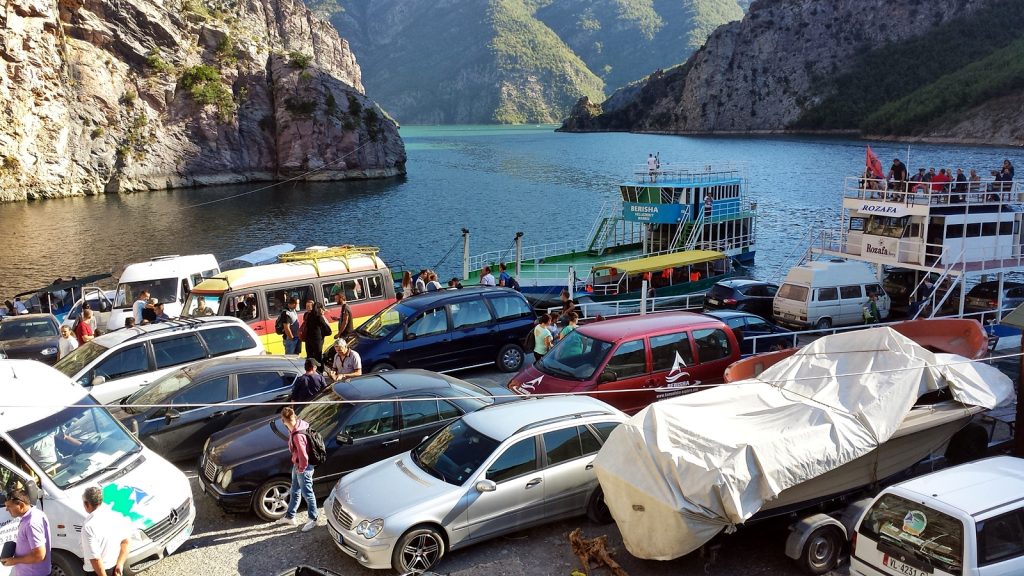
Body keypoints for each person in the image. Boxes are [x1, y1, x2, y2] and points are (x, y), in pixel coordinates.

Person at [275, 407, 317, 532]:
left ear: (284, 420)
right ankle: (290, 516)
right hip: (297, 465)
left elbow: (304, 455)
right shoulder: (298, 425)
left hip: (303, 467)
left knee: (307, 494)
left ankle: (313, 519)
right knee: (294, 491)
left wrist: (302, 469)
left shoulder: (298, 435)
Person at [80, 486, 130, 576]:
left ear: (87, 504)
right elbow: (125, 542)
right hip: (116, 568)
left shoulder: (88, 527)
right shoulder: (116, 515)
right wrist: (120, 564)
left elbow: (95, 559)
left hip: (98, 572)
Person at [1, 489, 50, 575]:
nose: (6, 510)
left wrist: (14, 561)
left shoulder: (31, 523)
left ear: (21, 505)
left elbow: (39, 555)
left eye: (9, 506)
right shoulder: (37, 513)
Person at [301, 303, 332, 369]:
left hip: (308, 340)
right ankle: (319, 371)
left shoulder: (308, 315)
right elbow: (327, 329)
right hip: (317, 340)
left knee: (309, 356)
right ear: (319, 309)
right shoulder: (319, 317)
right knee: (318, 357)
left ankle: (310, 369)